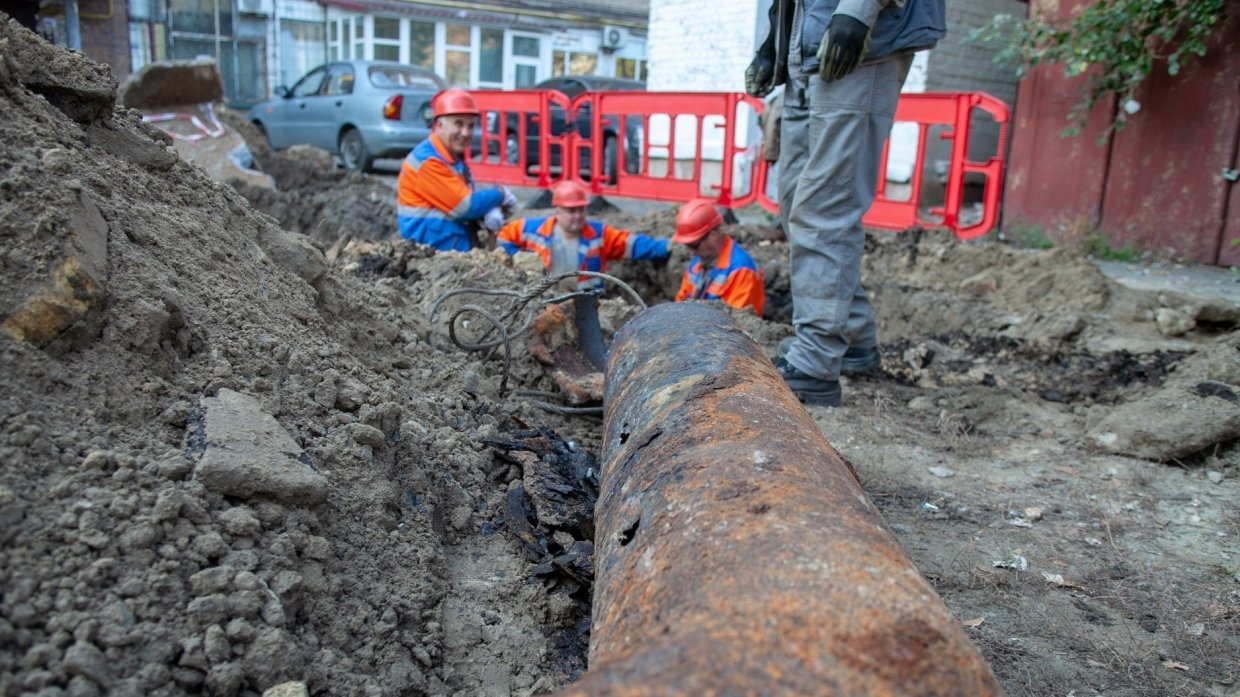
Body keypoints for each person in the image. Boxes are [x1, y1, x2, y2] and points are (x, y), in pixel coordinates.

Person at [745, 0, 946, 406]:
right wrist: (773, 41)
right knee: (796, 204)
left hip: (860, 43)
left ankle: (815, 364)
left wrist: (858, 10)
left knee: (825, 207)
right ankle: (852, 339)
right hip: (806, 47)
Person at [397, 87, 517, 251]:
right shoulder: (428, 162)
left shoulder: (447, 156)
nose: (466, 132)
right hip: (431, 252)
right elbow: (465, 207)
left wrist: (489, 209)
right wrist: (500, 195)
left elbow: (461, 197)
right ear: (439, 125)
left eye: (470, 126)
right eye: (458, 124)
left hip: (445, 246)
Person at [496, 180, 670, 290]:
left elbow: (632, 244)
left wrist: (664, 247)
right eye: (571, 211)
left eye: (581, 210)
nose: (578, 216)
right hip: (547, 300)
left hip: (587, 305)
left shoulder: (598, 235)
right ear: (557, 211)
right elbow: (505, 235)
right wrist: (516, 263)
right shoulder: (535, 230)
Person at [671, 199, 765, 317]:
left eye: (694, 246)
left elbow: (736, 322)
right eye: (688, 246)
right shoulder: (699, 260)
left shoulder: (741, 270)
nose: (692, 252)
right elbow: (681, 300)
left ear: (713, 235)